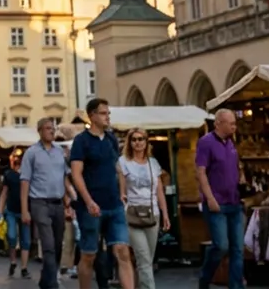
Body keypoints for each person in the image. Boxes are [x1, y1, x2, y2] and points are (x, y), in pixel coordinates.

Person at [70, 99, 133, 289]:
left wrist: (122, 192)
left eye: (108, 113)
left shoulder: (111, 139)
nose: (108, 117)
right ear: (92, 116)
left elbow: (118, 168)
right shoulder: (81, 141)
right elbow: (76, 174)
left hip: (114, 205)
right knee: (89, 255)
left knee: (122, 251)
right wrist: (88, 201)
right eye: (103, 113)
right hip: (91, 207)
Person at [20, 117, 74, 289]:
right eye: (48, 128)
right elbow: (25, 181)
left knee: (57, 245)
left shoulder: (60, 152)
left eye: (53, 128)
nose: (52, 131)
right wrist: (24, 210)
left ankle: (46, 280)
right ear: (40, 131)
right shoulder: (31, 153)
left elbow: (64, 178)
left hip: (58, 203)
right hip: (39, 203)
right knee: (48, 245)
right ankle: (53, 284)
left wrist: (69, 201)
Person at [195, 109, 243, 289]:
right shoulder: (206, 142)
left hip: (234, 201)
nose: (234, 127)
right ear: (218, 124)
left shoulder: (231, 142)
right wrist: (209, 198)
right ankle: (205, 278)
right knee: (221, 245)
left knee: (237, 248)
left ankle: (236, 286)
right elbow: (200, 172)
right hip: (217, 202)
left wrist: (241, 178)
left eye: (234, 124)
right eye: (231, 123)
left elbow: (235, 166)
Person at [118, 129, 170, 289]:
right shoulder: (123, 162)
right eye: (134, 139)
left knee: (147, 260)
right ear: (129, 142)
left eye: (141, 139)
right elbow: (122, 191)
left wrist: (165, 214)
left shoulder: (153, 163)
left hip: (152, 214)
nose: (138, 142)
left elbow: (159, 191)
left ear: (147, 142)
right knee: (144, 259)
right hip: (132, 214)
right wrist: (122, 199)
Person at [0, 155, 31, 279]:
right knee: (11, 236)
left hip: (25, 211)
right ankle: (13, 261)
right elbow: (4, 193)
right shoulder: (10, 175)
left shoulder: (30, 174)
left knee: (25, 240)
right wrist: (0, 212)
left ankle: (24, 268)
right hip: (11, 210)